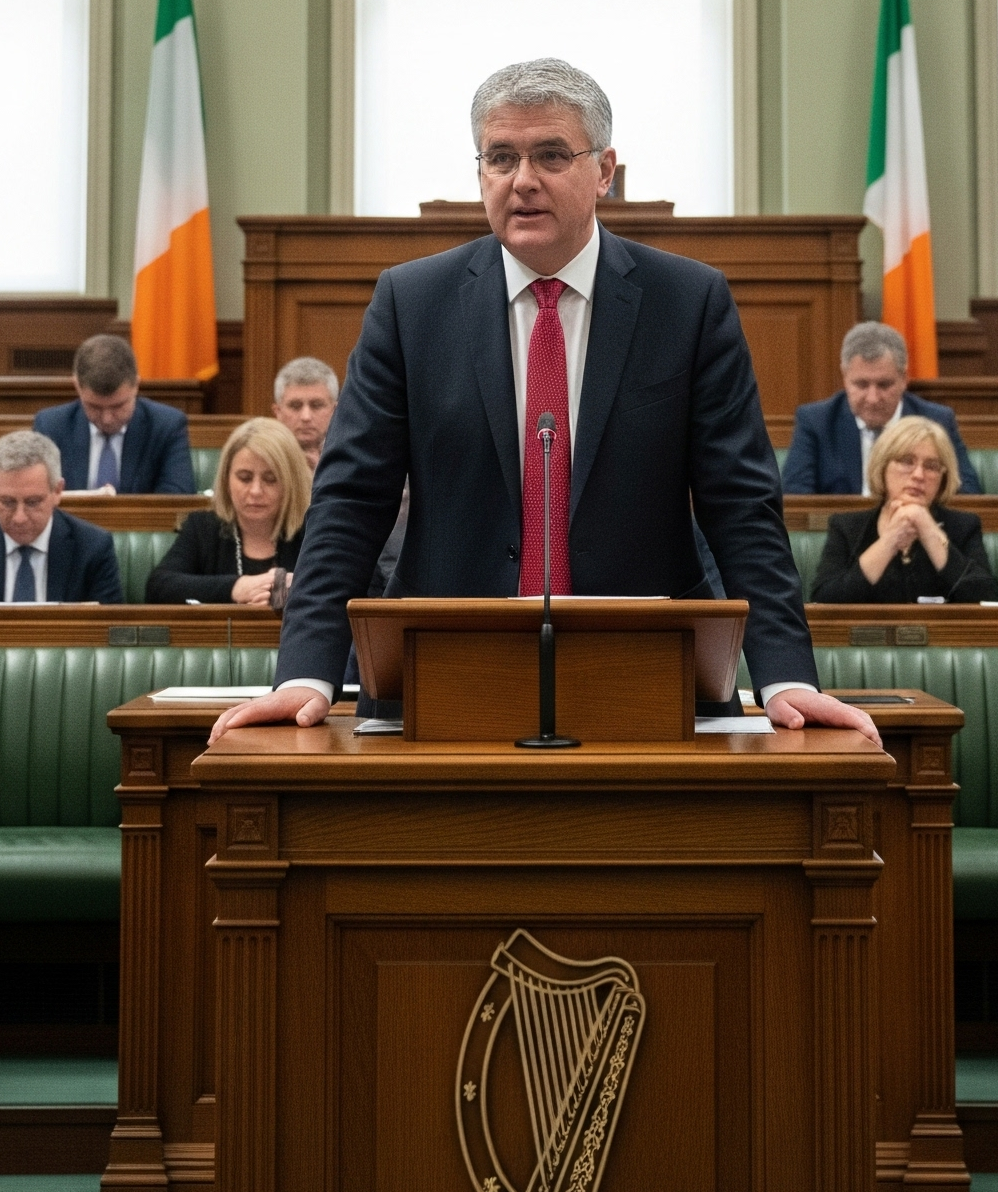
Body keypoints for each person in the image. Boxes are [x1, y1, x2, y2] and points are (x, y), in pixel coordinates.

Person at [212, 57, 878, 748]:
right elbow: (350, 501)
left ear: (604, 170)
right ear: (481, 173)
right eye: (500, 157)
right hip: (446, 670)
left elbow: (741, 506)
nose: (522, 180)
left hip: (644, 674)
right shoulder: (411, 304)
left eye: (551, 155)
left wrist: (788, 679)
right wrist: (304, 676)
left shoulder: (688, 304)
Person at [810, 415, 998, 606]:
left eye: (931, 466)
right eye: (907, 461)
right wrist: (890, 541)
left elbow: (985, 597)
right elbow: (825, 600)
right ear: (882, 467)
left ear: (943, 476)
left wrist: (928, 529)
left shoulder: (964, 526)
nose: (918, 475)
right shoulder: (847, 527)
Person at [781, 322, 981, 497]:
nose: (873, 398)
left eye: (884, 385)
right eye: (861, 385)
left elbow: (968, 494)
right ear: (845, 376)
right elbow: (796, 500)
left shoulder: (935, 421)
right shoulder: (817, 422)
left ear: (904, 379)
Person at [0, 432, 123, 605]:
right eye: (7, 502)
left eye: (33, 502)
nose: (19, 518)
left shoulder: (93, 547)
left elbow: (105, 631)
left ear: (57, 491)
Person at [147, 418, 309, 605]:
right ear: (226, 479)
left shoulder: (311, 530)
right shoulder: (203, 527)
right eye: (245, 478)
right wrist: (236, 587)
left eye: (270, 479)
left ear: (292, 482)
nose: (255, 491)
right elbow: (158, 587)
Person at [34, 334, 195, 495]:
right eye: (94, 407)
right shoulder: (51, 426)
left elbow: (178, 498)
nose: (107, 419)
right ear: (77, 386)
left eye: (118, 406)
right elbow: (38, 495)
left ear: (136, 385)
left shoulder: (166, 425)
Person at [273, 358, 340, 474]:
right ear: (278, 412)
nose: (306, 417)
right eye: (295, 406)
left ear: (335, 411)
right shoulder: (261, 457)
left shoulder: (356, 459)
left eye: (317, 405)